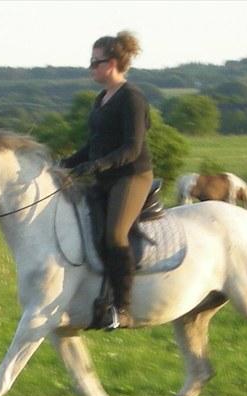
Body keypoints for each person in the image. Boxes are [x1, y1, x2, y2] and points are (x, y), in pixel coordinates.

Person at [61, 31, 153, 330]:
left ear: (111, 63)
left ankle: (123, 309)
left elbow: (132, 148)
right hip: (104, 175)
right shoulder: (101, 99)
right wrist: (64, 165)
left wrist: (98, 164)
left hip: (131, 176)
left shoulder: (132, 98)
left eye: (94, 62)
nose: (90, 68)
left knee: (115, 235)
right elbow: (93, 145)